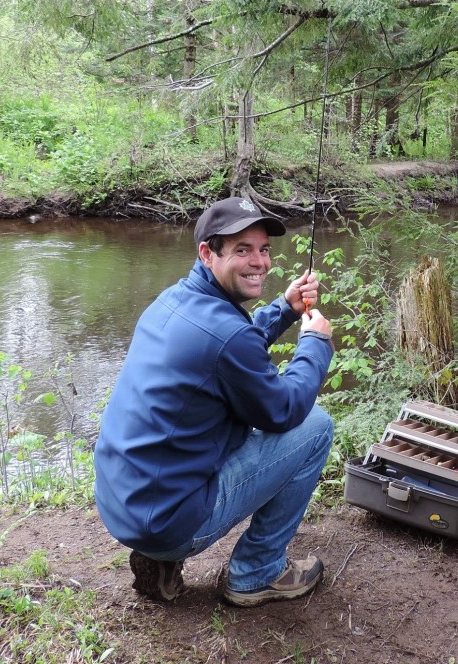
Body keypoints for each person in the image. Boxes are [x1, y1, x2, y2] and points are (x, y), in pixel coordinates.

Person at [94, 196, 335, 608]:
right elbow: (283, 410)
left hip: (123, 504)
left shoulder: (173, 300)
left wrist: (284, 310)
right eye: (242, 250)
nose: (259, 262)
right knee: (315, 426)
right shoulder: (225, 334)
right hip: (166, 519)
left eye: (263, 250)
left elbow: (227, 345)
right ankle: (256, 574)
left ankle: (160, 553)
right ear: (208, 253)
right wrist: (314, 344)